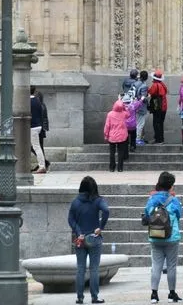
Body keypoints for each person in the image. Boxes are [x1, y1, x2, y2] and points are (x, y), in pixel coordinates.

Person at [67, 176, 109, 305]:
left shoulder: (75, 202)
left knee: (80, 269)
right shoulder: (97, 200)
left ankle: (79, 297)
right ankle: (95, 297)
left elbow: (71, 220)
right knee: (94, 269)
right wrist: (100, 227)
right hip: (94, 238)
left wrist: (78, 232)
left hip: (80, 239)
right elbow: (106, 210)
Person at [145, 172, 183, 303]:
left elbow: (147, 213)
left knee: (156, 265)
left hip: (155, 236)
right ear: (170, 186)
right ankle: (172, 294)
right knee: (171, 266)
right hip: (172, 237)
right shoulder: (174, 200)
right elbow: (179, 215)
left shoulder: (151, 200)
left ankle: (154, 294)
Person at [103, 99, 129, 172]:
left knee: (112, 153)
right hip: (122, 136)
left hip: (112, 136)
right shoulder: (124, 113)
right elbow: (128, 114)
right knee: (120, 153)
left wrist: (106, 134)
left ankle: (112, 168)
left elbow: (107, 126)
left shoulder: (110, 114)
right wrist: (124, 107)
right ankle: (120, 168)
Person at [147, 69, 169, 144]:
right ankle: (161, 139)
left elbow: (150, 92)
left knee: (156, 123)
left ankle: (158, 139)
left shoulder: (155, 85)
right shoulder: (162, 84)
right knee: (160, 123)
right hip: (163, 107)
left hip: (157, 106)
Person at [30, 86, 48, 173]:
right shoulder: (37, 100)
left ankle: (42, 166)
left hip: (32, 127)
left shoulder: (28, 101)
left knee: (36, 147)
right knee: (35, 146)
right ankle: (42, 164)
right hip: (38, 126)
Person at [33, 89, 52, 171]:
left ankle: (43, 162)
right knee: (39, 147)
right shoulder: (42, 105)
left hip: (39, 129)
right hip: (41, 129)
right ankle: (43, 162)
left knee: (36, 147)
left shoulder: (40, 105)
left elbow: (42, 119)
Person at [135, 70, 150, 146]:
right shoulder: (144, 86)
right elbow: (142, 98)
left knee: (137, 123)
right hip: (141, 107)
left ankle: (137, 138)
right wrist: (148, 97)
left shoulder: (135, 83)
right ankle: (138, 139)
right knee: (140, 124)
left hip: (134, 105)